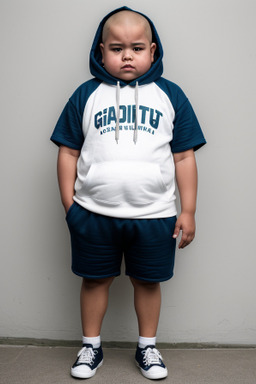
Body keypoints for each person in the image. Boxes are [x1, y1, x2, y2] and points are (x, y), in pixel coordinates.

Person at [50, 6, 206, 380]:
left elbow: (184, 156)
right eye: (116, 47)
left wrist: (189, 210)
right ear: (100, 51)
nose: (126, 55)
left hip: (155, 214)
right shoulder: (86, 95)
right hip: (93, 212)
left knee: (148, 282)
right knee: (94, 280)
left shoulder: (171, 95)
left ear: (153, 50)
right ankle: (91, 346)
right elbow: (68, 151)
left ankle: (147, 348)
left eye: (136, 47)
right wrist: (70, 205)